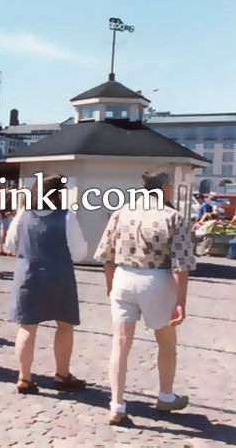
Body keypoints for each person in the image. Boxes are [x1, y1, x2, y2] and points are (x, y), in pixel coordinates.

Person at [95, 170, 193, 425]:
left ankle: (116, 404)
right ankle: (166, 395)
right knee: (166, 342)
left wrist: (110, 284)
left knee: (120, 344)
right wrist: (181, 300)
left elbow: (106, 254)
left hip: (123, 277)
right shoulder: (173, 216)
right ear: (164, 187)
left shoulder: (123, 212)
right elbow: (181, 264)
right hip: (157, 279)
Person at [3, 175, 88, 395]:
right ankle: (62, 373)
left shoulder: (23, 214)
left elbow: (10, 244)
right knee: (64, 324)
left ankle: (24, 376)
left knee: (27, 326)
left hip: (28, 275)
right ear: (58, 195)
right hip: (58, 275)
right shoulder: (66, 216)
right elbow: (79, 253)